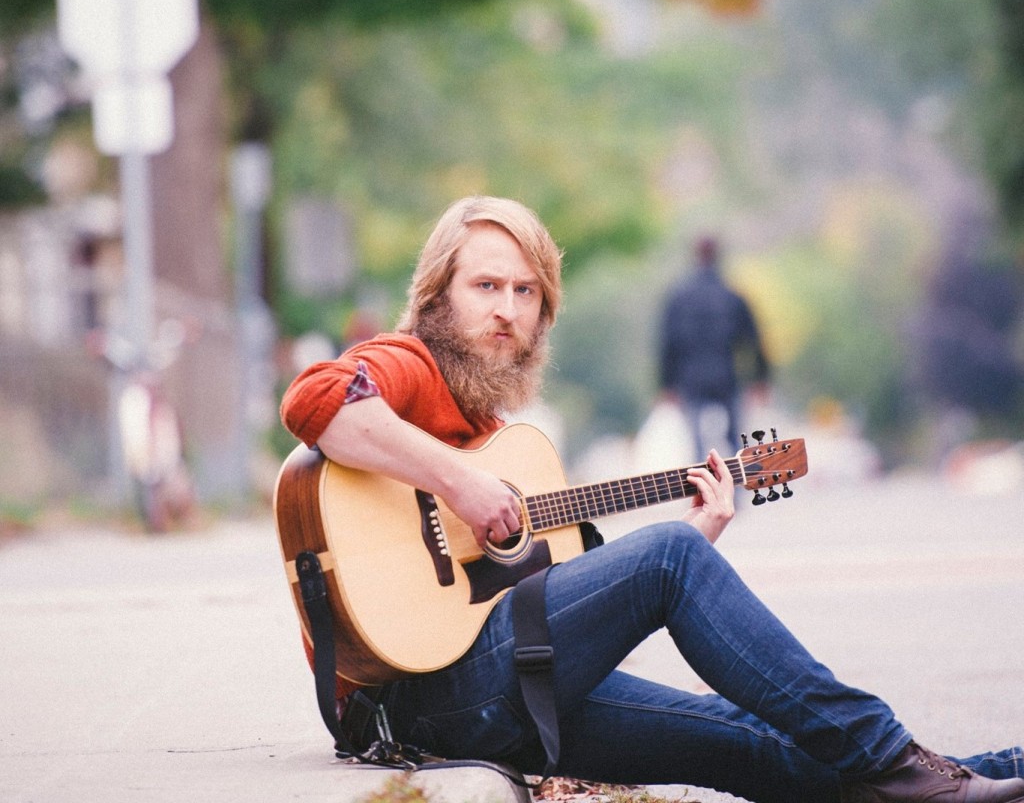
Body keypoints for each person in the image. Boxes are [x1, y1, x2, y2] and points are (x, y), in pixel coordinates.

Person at [280, 196, 1024, 803]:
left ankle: (983, 772)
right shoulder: (409, 367)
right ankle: (892, 757)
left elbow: (523, 587)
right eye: (485, 286)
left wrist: (697, 534)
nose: (507, 309)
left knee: (744, 739)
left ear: (545, 315)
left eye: (526, 291)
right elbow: (316, 399)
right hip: (425, 699)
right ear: (436, 294)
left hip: (501, 688)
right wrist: (460, 482)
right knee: (665, 557)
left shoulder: (497, 434)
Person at [658, 235, 771, 461]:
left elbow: (668, 344)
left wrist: (667, 384)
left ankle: (703, 491)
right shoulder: (733, 297)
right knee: (737, 445)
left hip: (691, 379)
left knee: (697, 449)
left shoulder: (679, 298)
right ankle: (735, 491)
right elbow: (753, 340)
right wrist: (761, 379)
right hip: (726, 376)